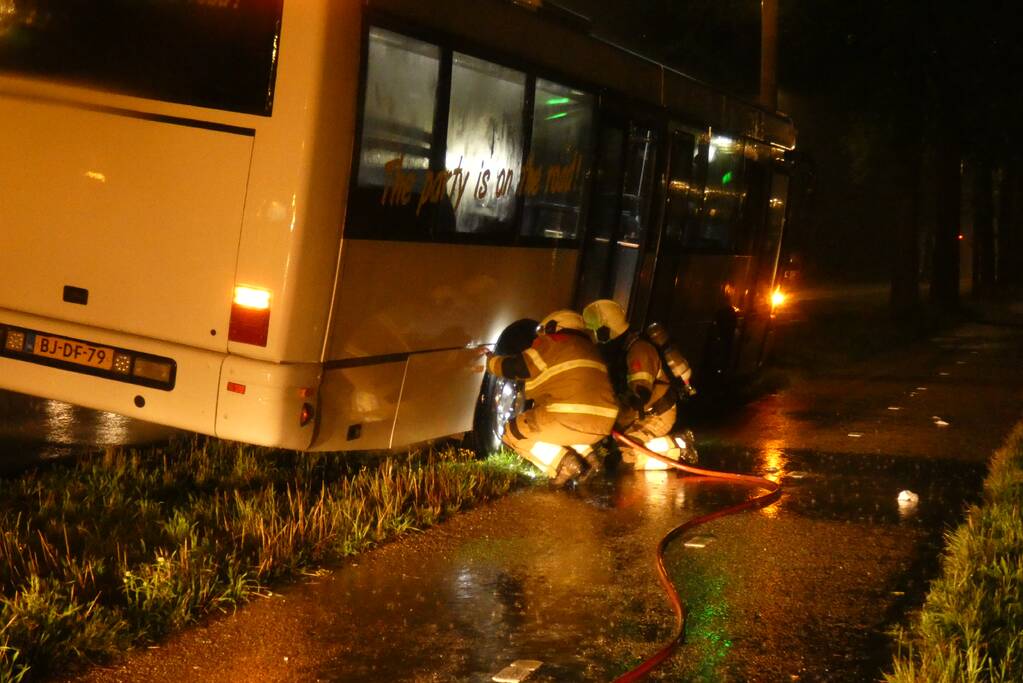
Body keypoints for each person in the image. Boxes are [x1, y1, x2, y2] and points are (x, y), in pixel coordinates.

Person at [485, 310, 619, 485]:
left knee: (513, 432)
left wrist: (492, 362)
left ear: (552, 326)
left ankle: (564, 463)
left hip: (568, 418)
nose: (540, 336)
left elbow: (518, 367)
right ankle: (592, 461)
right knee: (568, 429)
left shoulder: (552, 342)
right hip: (602, 425)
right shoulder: (591, 350)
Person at [582, 299, 693, 470]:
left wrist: (614, 418)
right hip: (637, 414)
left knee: (623, 458)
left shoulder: (639, 350)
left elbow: (640, 393)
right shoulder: (623, 349)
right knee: (604, 450)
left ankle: (677, 446)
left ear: (605, 331)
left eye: (594, 332)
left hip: (656, 415)